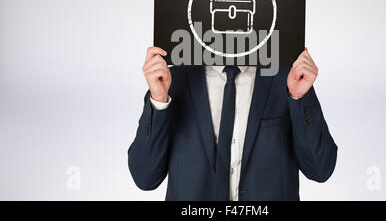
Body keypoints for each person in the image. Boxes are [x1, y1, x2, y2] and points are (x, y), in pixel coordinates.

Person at [128, 46, 337, 200]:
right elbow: (145, 177)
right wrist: (158, 100)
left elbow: (320, 170)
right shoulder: (172, 80)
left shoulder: (287, 78)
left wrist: (300, 97)